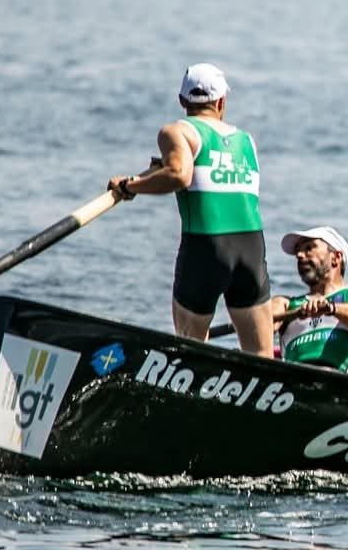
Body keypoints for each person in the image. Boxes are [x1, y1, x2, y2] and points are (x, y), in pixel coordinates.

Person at [107, 62, 272, 356]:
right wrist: (150, 175)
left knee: (190, 354)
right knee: (261, 356)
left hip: (206, 247)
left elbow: (179, 174)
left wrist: (130, 186)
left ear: (182, 101)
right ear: (222, 101)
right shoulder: (247, 141)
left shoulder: (178, 131)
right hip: (251, 249)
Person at [266, 227, 348, 374]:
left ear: (335, 258)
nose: (300, 255)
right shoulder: (285, 303)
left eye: (309, 248)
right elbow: (259, 326)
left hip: (342, 383)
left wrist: (329, 308)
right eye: (298, 252)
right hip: (292, 382)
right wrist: (295, 313)